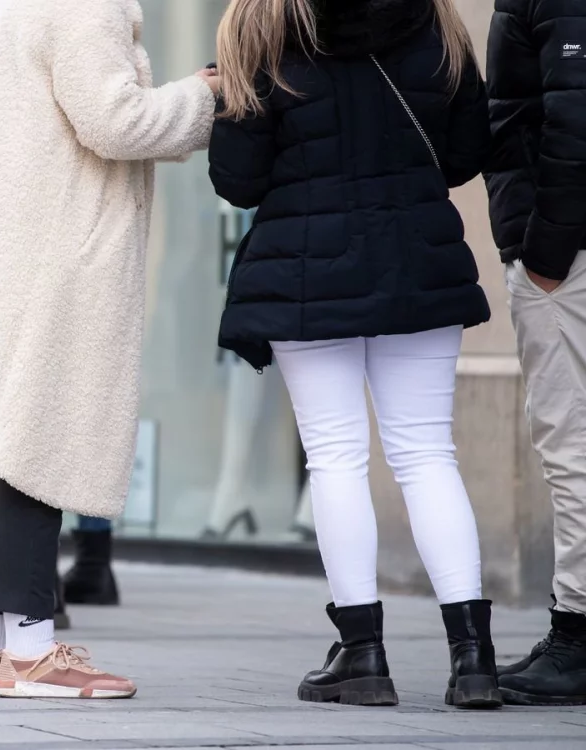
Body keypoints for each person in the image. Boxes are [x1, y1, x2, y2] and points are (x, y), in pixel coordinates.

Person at [0, 0, 218, 698]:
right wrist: (203, 96)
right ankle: (31, 653)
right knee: (39, 438)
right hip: (61, 250)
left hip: (12, 246)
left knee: (0, 444)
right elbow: (115, 122)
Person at [212, 0, 496, 708]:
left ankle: (362, 655)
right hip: (419, 262)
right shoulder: (436, 20)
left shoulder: (260, 25)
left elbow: (238, 179)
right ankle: (473, 659)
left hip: (308, 275)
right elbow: (466, 152)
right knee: (427, 454)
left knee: (335, 457)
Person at [485, 0, 586, 707]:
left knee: (573, 444)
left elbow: (574, 116)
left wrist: (544, 250)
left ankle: (577, 638)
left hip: (568, 260)